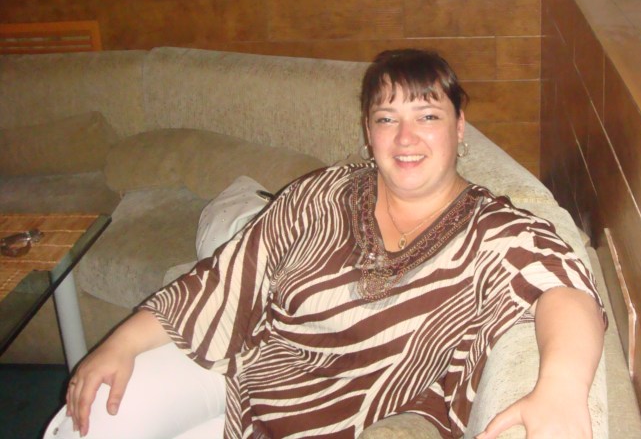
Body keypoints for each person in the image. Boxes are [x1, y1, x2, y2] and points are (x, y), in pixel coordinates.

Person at [46, 49, 605, 439]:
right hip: (241, 369)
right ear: (368, 131)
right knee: (89, 420)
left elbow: (567, 286)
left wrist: (559, 390)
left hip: (331, 425)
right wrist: (119, 344)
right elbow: (226, 276)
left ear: (459, 128)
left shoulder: (491, 230)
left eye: (427, 116)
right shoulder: (325, 191)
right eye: (386, 118)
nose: (405, 138)